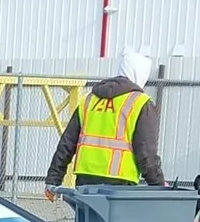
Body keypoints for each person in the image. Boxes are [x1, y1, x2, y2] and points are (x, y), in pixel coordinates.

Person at [45, 50, 164, 193]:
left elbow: (67, 143)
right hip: (119, 183)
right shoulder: (140, 103)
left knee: (86, 209)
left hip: (85, 180)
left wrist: (53, 180)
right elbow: (146, 153)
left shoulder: (89, 99)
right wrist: (159, 185)